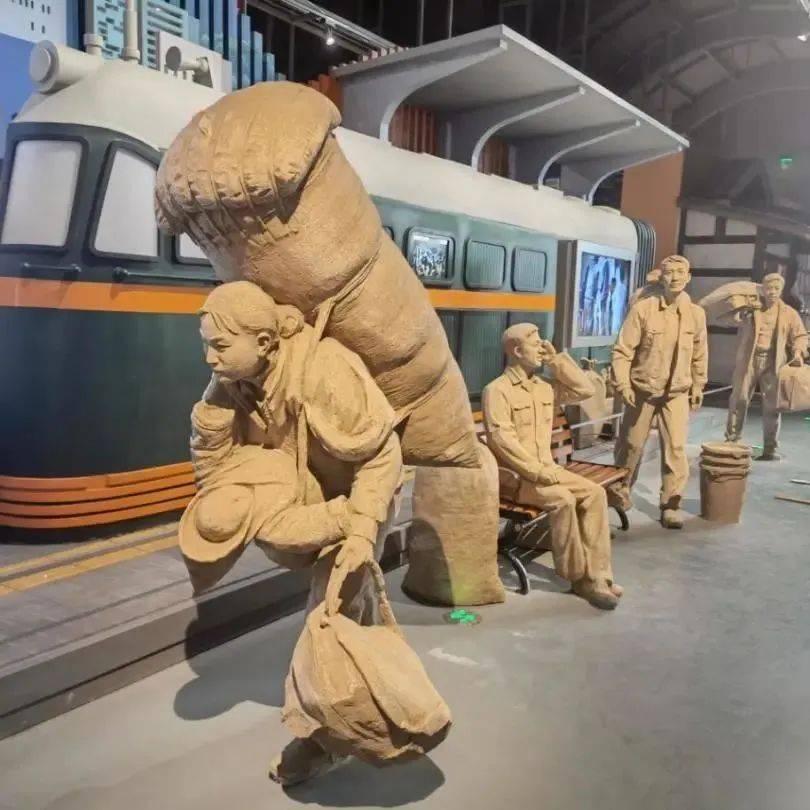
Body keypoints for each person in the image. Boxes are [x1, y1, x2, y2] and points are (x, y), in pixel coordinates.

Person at [191, 280, 403, 785]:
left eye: (219, 346)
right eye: (206, 345)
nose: (209, 358)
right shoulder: (230, 381)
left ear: (264, 342)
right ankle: (368, 692)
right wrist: (212, 428)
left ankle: (320, 738)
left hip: (359, 499)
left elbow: (382, 455)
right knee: (351, 615)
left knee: (327, 612)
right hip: (305, 501)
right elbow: (212, 467)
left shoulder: (325, 370)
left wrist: (361, 531)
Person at [482, 323, 622, 610]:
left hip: (548, 471)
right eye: (536, 344)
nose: (541, 348)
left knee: (595, 494)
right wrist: (536, 472)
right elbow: (501, 441)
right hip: (517, 479)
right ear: (517, 351)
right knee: (563, 500)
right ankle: (579, 578)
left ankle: (600, 576)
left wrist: (557, 359)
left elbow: (584, 389)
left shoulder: (544, 388)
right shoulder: (497, 391)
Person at [612, 255, 708, 529]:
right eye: (669, 272)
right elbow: (622, 351)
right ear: (661, 277)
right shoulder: (643, 310)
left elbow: (700, 352)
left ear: (688, 277)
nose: (674, 277)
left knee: (675, 448)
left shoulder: (696, 314)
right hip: (642, 390)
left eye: (680, 272)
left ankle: (671, 504)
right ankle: (619, 494)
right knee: (631, 445)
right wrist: (623, 384)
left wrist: (698, 384)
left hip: (676, 392)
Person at [725, 272, 808, 460]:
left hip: (773, 362)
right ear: (763, 289)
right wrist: (740, 309)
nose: (772, 292)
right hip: (748, 360)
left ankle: (770, 448)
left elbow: (801, 336)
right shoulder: (752, 309)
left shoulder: (788, 313)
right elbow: (731, 320)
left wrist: (798, 352)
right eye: (769, 288)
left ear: (781, 290)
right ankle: (731, 440)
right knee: (739, 399)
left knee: (772, 405)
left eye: (776, 288)